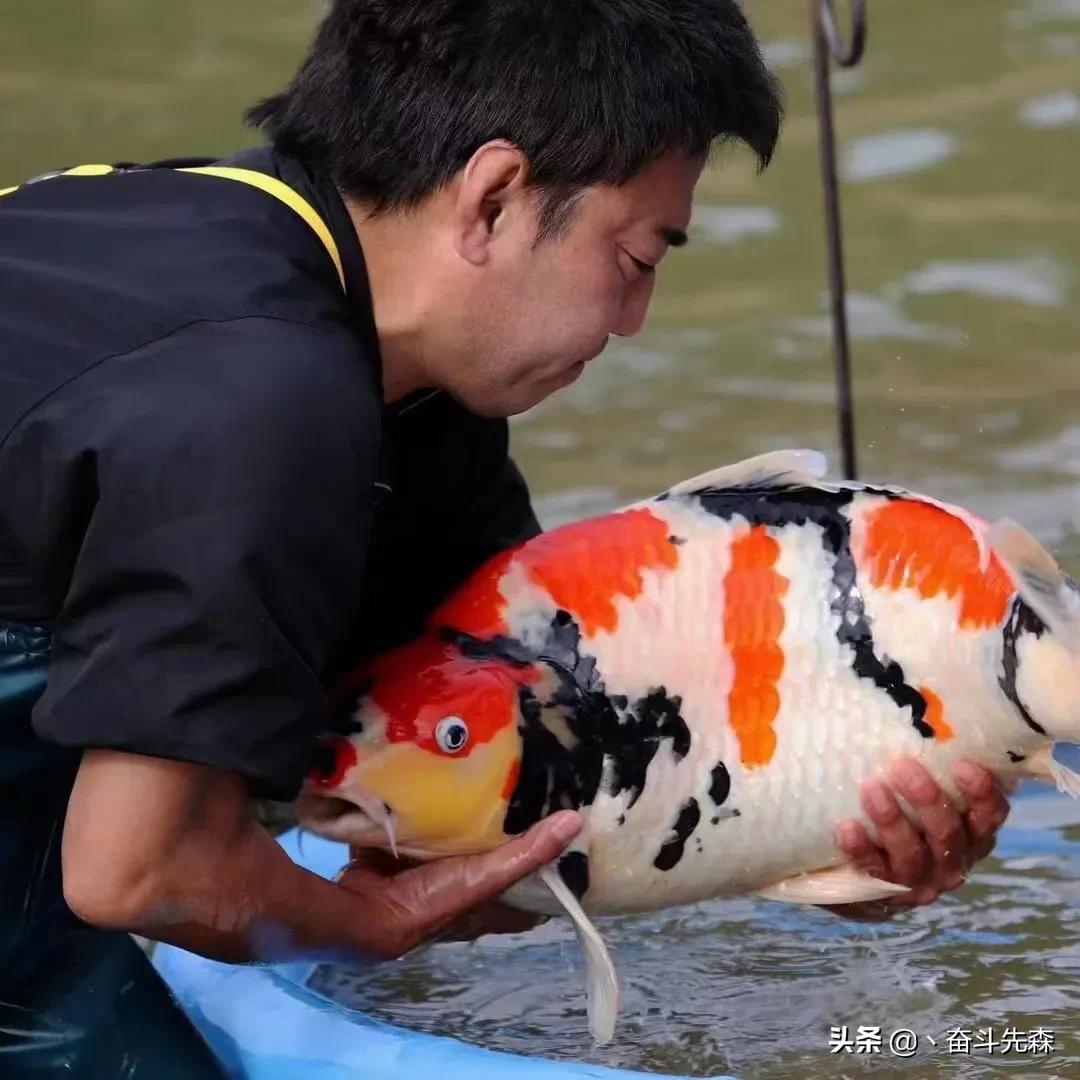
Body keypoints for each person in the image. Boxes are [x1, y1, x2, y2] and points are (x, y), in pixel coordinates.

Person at [0, 1, 1012, 1075]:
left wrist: (830, 842)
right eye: (636, 257)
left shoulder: (251, 264)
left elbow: (542, 772)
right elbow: (134, 874)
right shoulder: (263, 402)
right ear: (490, 197)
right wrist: (375, 925)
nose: (636, 322)